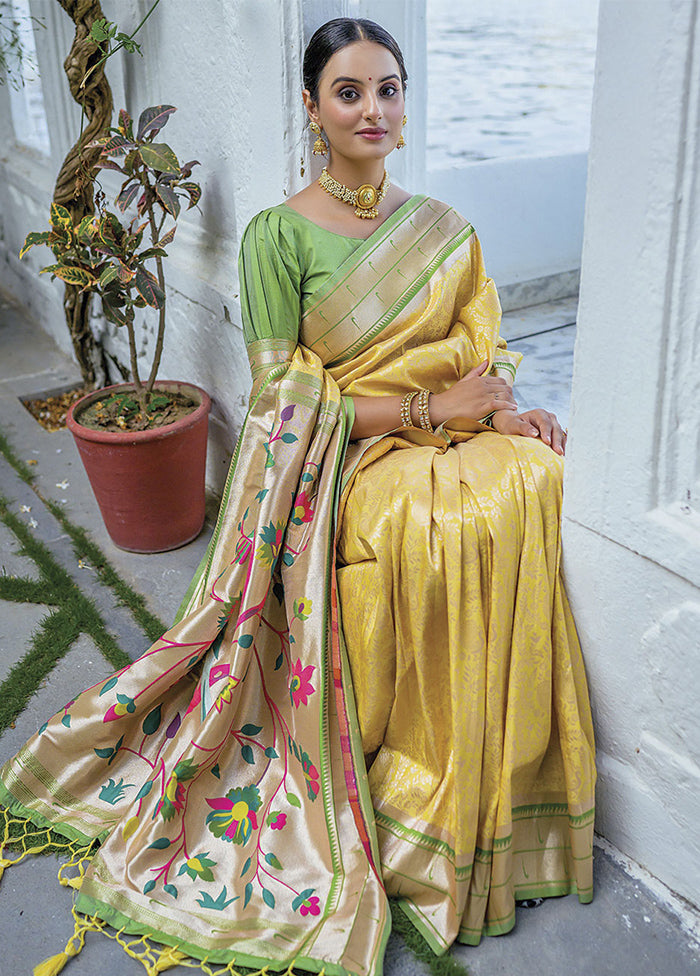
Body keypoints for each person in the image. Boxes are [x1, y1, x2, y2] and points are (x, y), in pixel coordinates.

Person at [0, 17, 595, 976]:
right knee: (428, 519)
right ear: (313, 109)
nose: (373, 108)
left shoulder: (446, 229)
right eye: (350, 91)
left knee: (530, 479)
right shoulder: (279, 236)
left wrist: (502, 411)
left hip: (443, 425)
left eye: (389, 88)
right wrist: (430, 409)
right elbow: (285, 404)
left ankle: (482, 799)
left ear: (406, 105)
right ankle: (405, 789)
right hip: (348, 455)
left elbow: (479, 352)